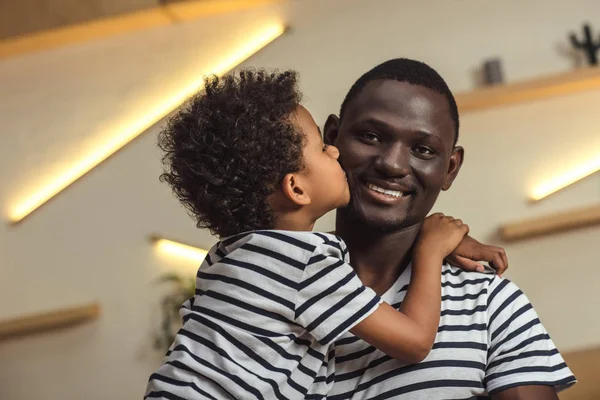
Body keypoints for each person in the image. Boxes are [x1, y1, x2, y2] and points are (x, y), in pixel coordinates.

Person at [144, 69, 496, 399]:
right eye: (320, 147)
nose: (335, 151)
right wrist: (431, 249)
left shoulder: (228, 256)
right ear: (296, 189)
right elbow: (415, 342)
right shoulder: (304, 265)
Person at [323, 58, 576, 399]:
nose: (392, 164)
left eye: (422, 150)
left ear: (450, 169)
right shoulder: (269, 284)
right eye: (371, 136)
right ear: (332, 138)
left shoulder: (490, 306)